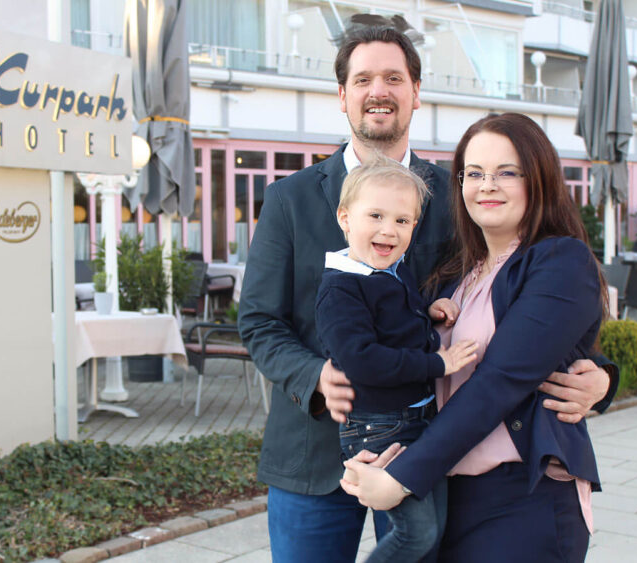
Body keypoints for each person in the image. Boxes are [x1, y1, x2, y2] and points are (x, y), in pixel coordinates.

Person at [238, 20, 617, 563]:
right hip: (315, 449)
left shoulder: (458, 194)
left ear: (416, 93)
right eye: (364, 78)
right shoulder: (289, 199)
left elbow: (511, 314)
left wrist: (600, 377)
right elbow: (258, 321)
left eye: (394, 77)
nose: (379, 91)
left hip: (432, 452)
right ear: (342, 95)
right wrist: (312, 375)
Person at [340, 112, 610, 562]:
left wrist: (402, 476)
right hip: (444, 493)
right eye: (474, 173)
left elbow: (501, 378)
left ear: (538, 179)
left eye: (507, 172)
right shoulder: (455, 274)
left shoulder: (562, 261)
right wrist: (371, 451)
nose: (487, 185)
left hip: (521, 501)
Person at [316, 156, 478, 562]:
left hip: (417, 418)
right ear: (345, 218)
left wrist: (431, 309)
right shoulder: (341, 290)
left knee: (435, 531)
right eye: (376, 216)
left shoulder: (391, 269)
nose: (389, 230)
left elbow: (397, 320)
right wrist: (438, 364)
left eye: (403, 221)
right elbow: (364, 360)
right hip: (380, 427)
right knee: (415, 534)